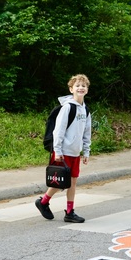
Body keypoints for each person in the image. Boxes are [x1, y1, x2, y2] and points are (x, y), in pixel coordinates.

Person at [34, 74, 91, 223]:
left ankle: (68, 212)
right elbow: (58, 131)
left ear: (87, 90)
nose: (80, 88)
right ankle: (44, 202)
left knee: (72, 182)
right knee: (60, 182)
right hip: (63, 152)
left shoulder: (86, 110)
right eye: (77, 86)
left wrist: (86, 151)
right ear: (71, 89)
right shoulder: (67, 108)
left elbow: (87, 132)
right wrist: (57, 150)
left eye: (83, 86)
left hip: (75, 152)